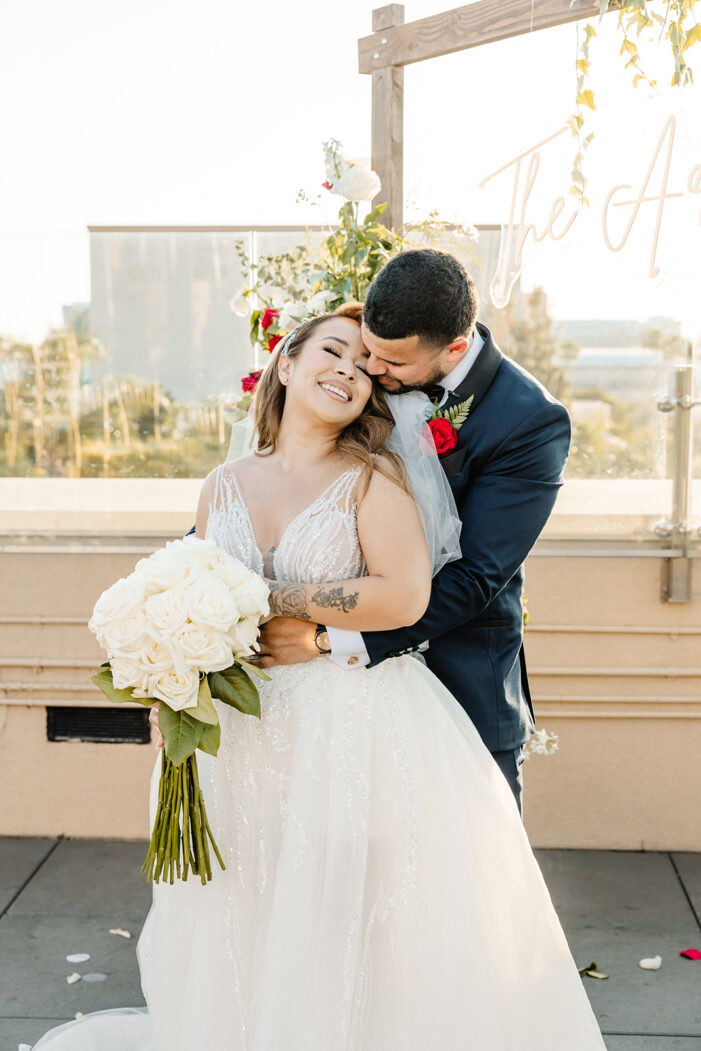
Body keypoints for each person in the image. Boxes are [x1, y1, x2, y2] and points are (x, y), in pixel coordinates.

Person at [31, 303, 605, 1050]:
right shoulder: (223, 483)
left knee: (343, 902)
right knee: (245, 896)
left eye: (364, 370)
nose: (348, 371)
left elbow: (404, 595)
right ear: (287, 360)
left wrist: (261, 600)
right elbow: (189, 584)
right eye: (331, 351)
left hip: (349, 723)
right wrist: (171, 665)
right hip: (238, 731)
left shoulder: (373, 478)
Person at [257, 249, 571, 813]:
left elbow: (476, 576)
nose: (372, 371)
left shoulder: (529, 421)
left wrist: (328, 640)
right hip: (328, 705)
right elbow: (281, 477)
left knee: (471, 878)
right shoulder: (365, 361)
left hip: (460, 673)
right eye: (368, 351)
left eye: (391, 364)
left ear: (454, 347)